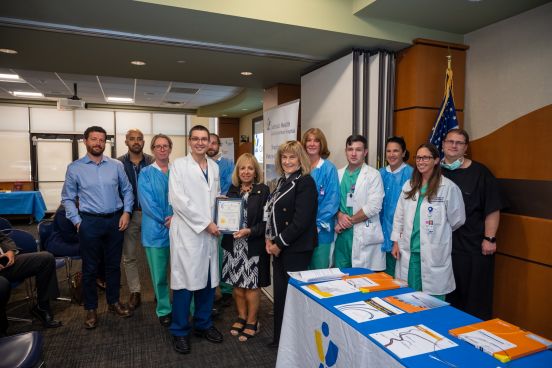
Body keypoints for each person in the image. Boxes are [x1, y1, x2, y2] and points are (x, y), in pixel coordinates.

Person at [61, 126, 134, 329]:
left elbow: (127, 190)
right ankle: (91, 309)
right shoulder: (75, 168)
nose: (98, 143)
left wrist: (127, 212)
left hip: (115, 221)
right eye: (94, 139)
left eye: (102, 140)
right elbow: (67, 198)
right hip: (89, 222)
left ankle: (113, 302)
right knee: (90, 268)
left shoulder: (116, 165)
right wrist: (77, 221)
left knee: (113, 266)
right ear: (86, 141)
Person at [168, 125, 223, 354]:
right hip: (188, 234)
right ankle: (180, 330)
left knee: (208, 281)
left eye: (205, 139)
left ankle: (203, 324)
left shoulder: (214, 166)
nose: (201, 143)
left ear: (210, 142)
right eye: (196, 139)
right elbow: (179, 202)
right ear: (190, 142)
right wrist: (205, 224)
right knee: (184, 283)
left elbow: (215, 196)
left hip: (210, 234)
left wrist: (224, 211)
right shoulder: (179, 166)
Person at [442, 128, 503, 320]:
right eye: (450, 141)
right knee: (446, 298)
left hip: (472, 247)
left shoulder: (480, 172)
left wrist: (490, 238)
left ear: (466, 148)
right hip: (442, 247)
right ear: (443, 144)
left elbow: (492, 208)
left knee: (473, 299)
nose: (453, 146)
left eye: (459, 143)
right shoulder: (435, 171)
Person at [391, 143, 466, 298]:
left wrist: (437, 234)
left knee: (432, 301)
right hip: (409, 252)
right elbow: (399, 216)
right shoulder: (409, 185)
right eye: (418, 158)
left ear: (436, 160)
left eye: (426, 157)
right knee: (408, 297)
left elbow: (457, 220)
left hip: (433, 253)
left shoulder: (448, 188)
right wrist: (396, 242)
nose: (421, 161)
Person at [265, 141, 317, 348]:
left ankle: (293, 346)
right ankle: (280, 341)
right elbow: (273, 214)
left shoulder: (305, 182)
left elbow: (301, 221)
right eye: (284, 157)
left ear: (300, 159)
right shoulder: (282, 181)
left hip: (295, 249)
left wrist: (279, 243)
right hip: (280, 247)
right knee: (281, 297)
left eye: (292, 157)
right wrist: (270, 238)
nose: (287, 161)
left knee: (291, 300)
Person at [221, 153, 270, 342]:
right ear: (237, 171)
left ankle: (252, 321)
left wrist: (249, 231)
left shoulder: (263, 190)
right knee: (237, 286)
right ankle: (241, 317)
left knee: (251, 287)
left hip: (253, 245)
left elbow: (266, 222)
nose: (246, 172)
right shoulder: (232, 191)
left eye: (250, 168)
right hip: (233, 246)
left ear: (255, 171)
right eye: (242, 168)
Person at [334, 135, 386, 270]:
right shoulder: (338, 174)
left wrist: (348, 221)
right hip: (341, 237)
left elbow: (374, 206)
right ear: (345, 151)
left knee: (363, 281)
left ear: (365, 152)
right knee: (340, 277)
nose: (353, 153)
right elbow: (332, 201)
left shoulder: (373, 175)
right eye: (350, 149)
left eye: (358, 150)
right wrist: (339, 215)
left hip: (363, 232)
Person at [137, 134, 173, 327]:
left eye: (165, 146)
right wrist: (166, 220)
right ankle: (164, 309)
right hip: (155, 230)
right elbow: (147, 203)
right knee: (159, 275)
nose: (162, 149)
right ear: (152, 149)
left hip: (179, 229)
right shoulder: (145, 173)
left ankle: (188, 306)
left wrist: (176, 218)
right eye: (158, 146)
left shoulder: (178, 171)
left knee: (182, 272)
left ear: (170, 148)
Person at [117, 129, 154, 310]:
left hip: (151, 216)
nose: (136, 142)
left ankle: (158, 291)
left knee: (155, 254)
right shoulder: (117, 164)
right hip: (128, 215)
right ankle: (135, 291)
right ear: (126, 142)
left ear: (144, 141)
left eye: (139, 139)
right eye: (132, 139)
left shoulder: (153, 162)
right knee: (129, 256)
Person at [1, 231, 62, 336]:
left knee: (46, 258)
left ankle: (42, 307)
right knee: (2, 284)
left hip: (5, 262)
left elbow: (3, 238)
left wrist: (11, 251)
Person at [301, 128, 340, 269]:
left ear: (321, 144)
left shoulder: (329, 169)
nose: (312, 144)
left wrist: (315, 224)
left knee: (319, 274)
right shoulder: (300, 168)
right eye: (309, 140)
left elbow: (332, 201)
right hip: (301, 232)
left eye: (316, 140)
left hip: (321, 232)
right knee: (302, 274)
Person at [379, 137, 414, 276]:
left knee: (397, 277)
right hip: (379, 233)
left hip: (401, 234)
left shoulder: (411, 174)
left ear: (403, 153)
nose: (391, 154)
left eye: (396, 151)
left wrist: (398, 239)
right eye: (388, 151)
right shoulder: (379, 173)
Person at [207, 133, 235, 309]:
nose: (210, 145)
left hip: (223, 215)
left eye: (214, 142)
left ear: (219, 145)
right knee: (208, 255)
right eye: (208, 142)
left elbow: (228, 188)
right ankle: (209, 290)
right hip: (204, 218)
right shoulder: (200, 165)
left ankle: (226, 290)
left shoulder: (227, 164)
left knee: (223, 254)